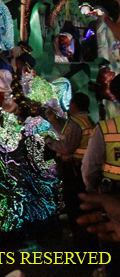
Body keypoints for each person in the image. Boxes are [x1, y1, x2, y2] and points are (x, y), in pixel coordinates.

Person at [43, 92, 97, 249]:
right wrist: (54, 121)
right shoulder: (86, 120)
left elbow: (66, 146)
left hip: (74, 171)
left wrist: (49, 141)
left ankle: (81, 244)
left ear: (75, 105)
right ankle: (88, 241)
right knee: (84, 206)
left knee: (75, 207)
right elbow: (69, 135)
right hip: (84, 169)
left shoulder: (75, 122)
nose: (69, 105)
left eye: (71, 103)